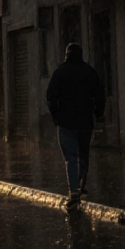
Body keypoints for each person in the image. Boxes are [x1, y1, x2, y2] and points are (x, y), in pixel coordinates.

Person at [46, 43, 105, 209]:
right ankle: (81, 184)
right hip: (85, 121)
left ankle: (73, 191)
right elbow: (100, 94)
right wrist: (97, 113)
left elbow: (50, 96)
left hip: (66, 123)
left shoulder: (60, 72)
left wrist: (56, 116)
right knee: (83, 155)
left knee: (71, 158)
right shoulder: (89, 72)